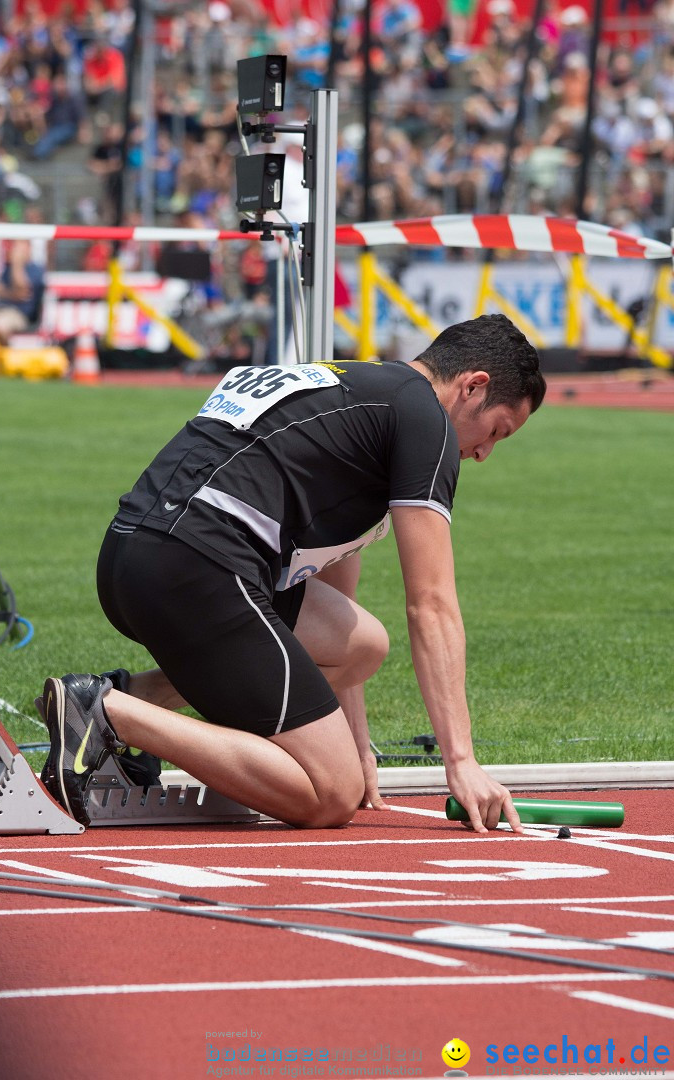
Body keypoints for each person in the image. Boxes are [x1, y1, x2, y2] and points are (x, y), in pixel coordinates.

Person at [40, 314, 546, 834]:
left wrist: (355, 742)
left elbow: (334, 601)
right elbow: (431, 603)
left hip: (136, 554)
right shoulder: (425, 420)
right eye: (496, 431)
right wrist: (460, 761)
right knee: (331, 795)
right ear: (473, 386)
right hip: (197, 566)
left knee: (363, 645)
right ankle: (106, 713)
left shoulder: (361, 389)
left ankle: (132, 700)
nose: (483, 453)